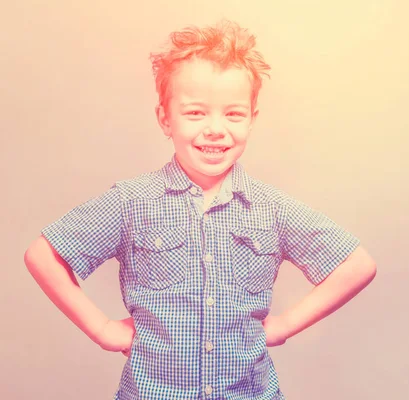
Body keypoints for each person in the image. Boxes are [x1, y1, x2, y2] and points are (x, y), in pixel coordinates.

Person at [24, 19, 377, 400]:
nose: (215, 129)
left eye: (233, 114)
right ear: (165, 119)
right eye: (196, 113)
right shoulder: (132, 201)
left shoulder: (272, 209)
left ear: (252, 120)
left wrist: (286, 325)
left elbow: (357, 265)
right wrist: (103, 330)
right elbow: (42, 256)